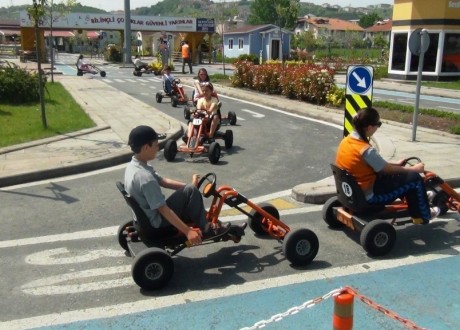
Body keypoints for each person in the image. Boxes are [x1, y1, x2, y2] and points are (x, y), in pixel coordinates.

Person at [124, 125, 234, 246]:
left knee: (190, 190)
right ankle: (207, 229)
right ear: (145, 147)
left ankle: (212, 223)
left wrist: (189, 187)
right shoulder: (145, 178)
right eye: (155, 145)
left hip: (145, 217)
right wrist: (187, 231)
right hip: (157, 222)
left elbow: (163, 181)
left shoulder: (134, 166)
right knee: (191, 192)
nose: (158, 148)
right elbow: (163, 209)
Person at [335, 107, 440, 225]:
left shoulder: (347, 141)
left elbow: (373, 163)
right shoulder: (366, 150)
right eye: (378, 124)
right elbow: (386, 170)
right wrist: (414, 169)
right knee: (414, 178)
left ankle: (419, 198)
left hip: (355, 192)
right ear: (369, 127)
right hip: (370, 197)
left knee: (403, 176)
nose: (377, 127)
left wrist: (396, 163)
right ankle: (424, 216)